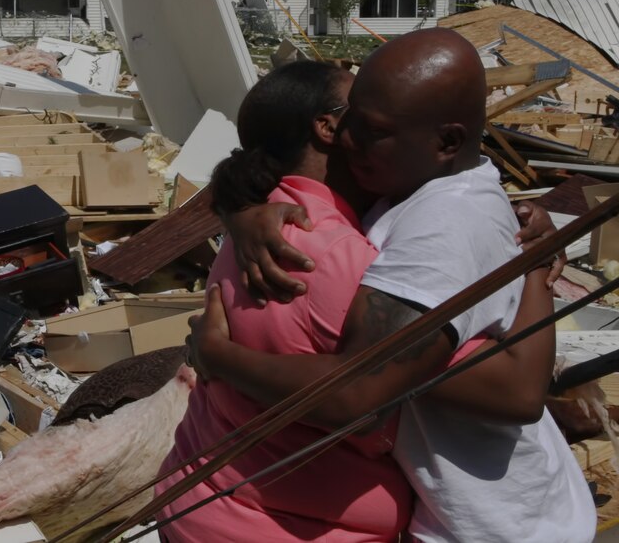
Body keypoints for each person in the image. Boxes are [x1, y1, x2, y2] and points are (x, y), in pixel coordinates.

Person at [186, 28, 595, 542]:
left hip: (499, 524)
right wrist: (239, 210)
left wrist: (216, 356)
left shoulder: (437, 227)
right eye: (346, 121)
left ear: (446, 141)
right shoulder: (381, 198)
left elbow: (364, 391)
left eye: (368, 127)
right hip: (443, 513)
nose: (348, 137)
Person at [158, 60, 412, 541]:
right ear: (329, 125)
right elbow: (401, 383)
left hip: (193, 504)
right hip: (281, 526)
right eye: (369, 105)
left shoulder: (257, 224)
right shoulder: (331, 252)